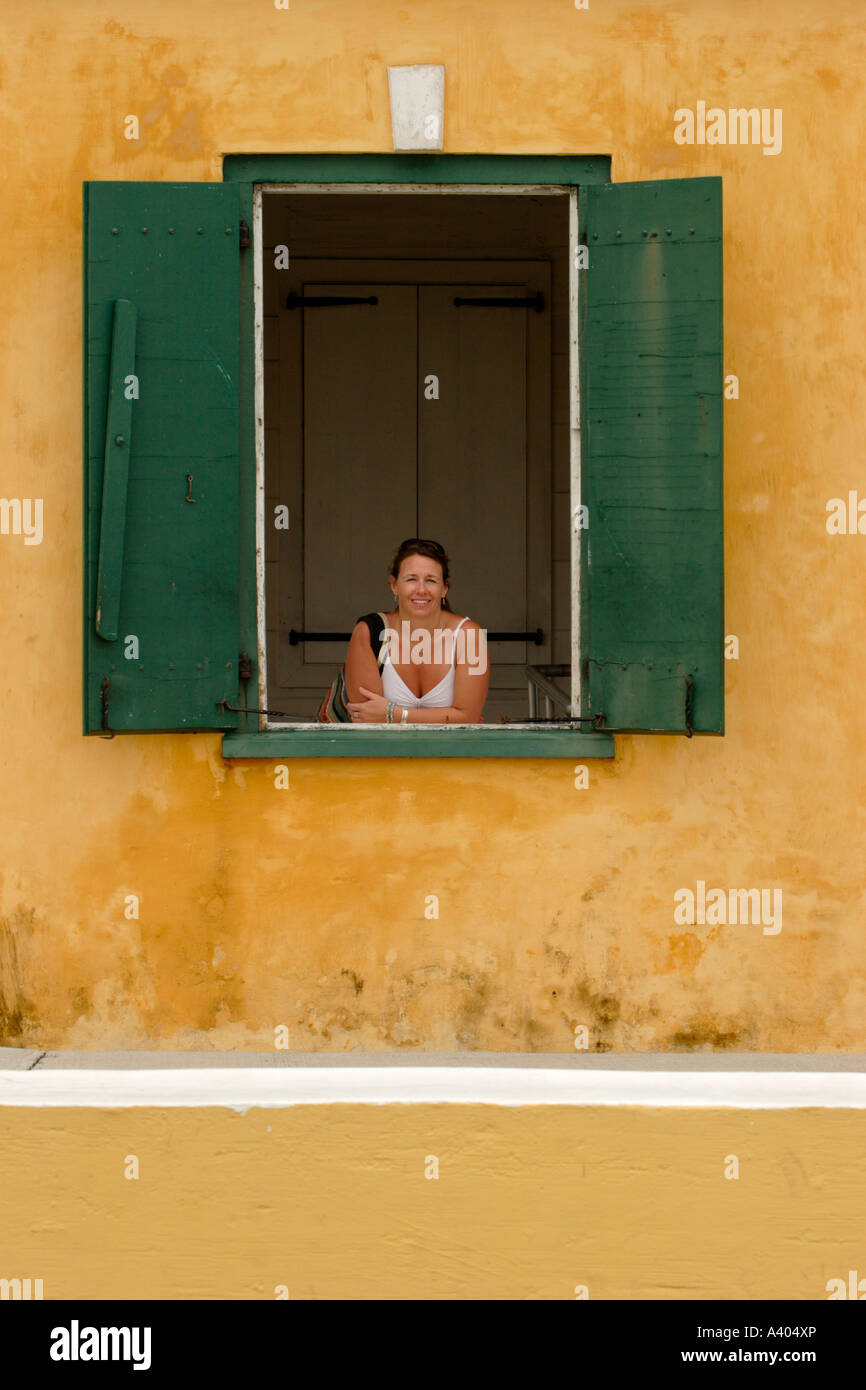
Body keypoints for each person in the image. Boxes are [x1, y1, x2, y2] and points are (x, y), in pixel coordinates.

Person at [345, 538, 489, 725]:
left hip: (451, 754)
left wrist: (396, 715)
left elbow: (467, 717)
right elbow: (364, 718)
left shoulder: (469, 636)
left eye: (430, 580)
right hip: (384, 754)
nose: (421, 590)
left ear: (444, 588)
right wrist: (448, 717)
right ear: (394, 585)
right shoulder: (369, 632)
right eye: (411, 579)